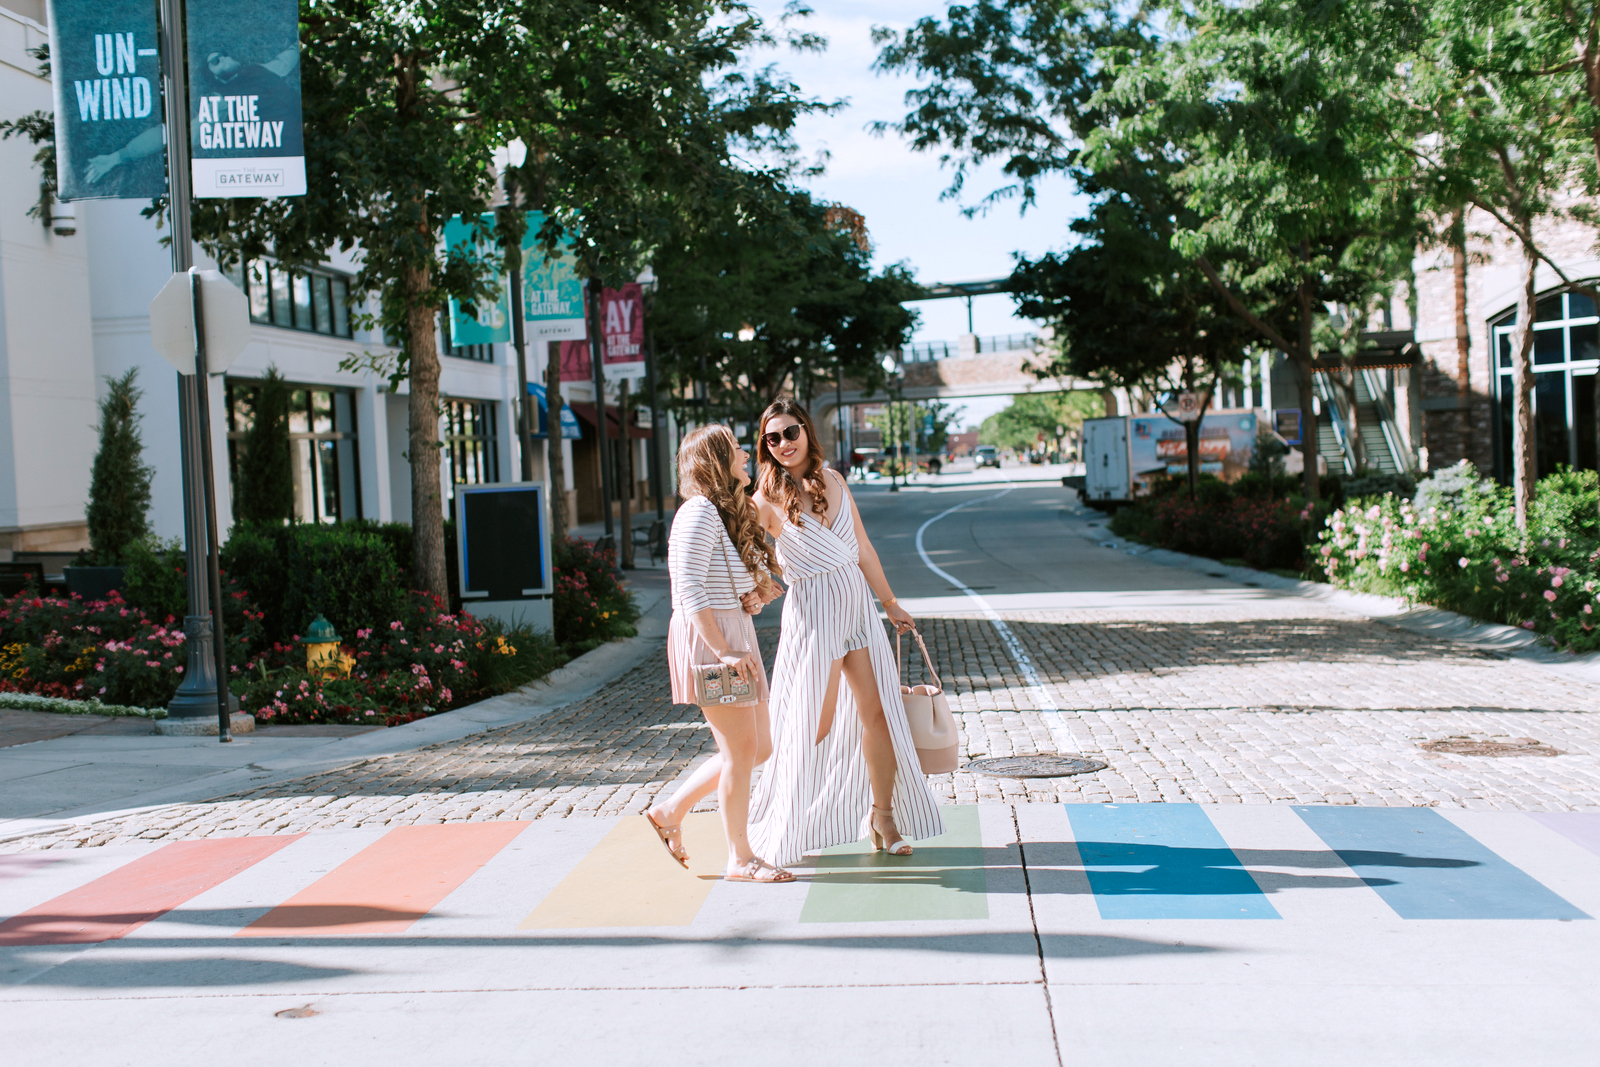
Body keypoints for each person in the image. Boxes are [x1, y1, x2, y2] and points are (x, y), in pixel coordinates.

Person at [747, 398, 944, 866]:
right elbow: (744, 553)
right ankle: (793, 818)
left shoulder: (833, 480)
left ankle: (884, 816)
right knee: (812, 722)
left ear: (807, 432)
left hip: (856, 608)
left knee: (879, 716)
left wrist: (891, 603)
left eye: (790, 433)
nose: (782, 444)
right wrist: (762, 584)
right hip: (813, 615)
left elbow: (863, 547)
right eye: (771, 438)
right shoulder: (765, 498)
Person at [644, 424, 792, 883]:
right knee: (741, 752)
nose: (746, 454)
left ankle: (670, 811)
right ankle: (740, 857)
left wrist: (748, 596)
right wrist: (724, 648)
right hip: (715, 643)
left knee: (758, 747)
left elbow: (713, 579)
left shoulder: (717, 513)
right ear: (714, 461)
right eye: (735, 450)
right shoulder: (697, 513)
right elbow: (687, 589)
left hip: (732, 635)